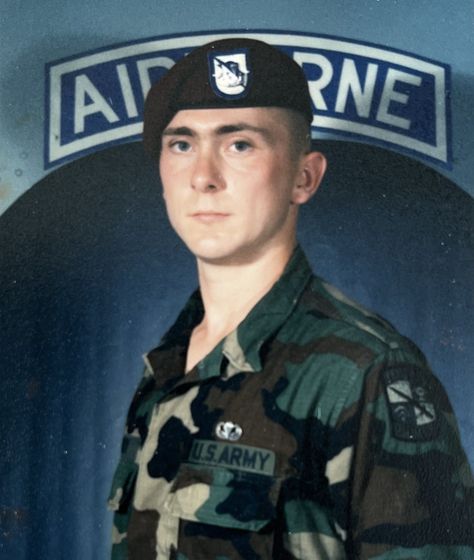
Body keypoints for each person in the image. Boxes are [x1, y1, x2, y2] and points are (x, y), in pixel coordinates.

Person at [108, 38, 473, 559]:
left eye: (240, 145)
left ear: (304, 176)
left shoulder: (367, 372)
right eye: (182, 144)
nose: (203, 177)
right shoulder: (168, 366)